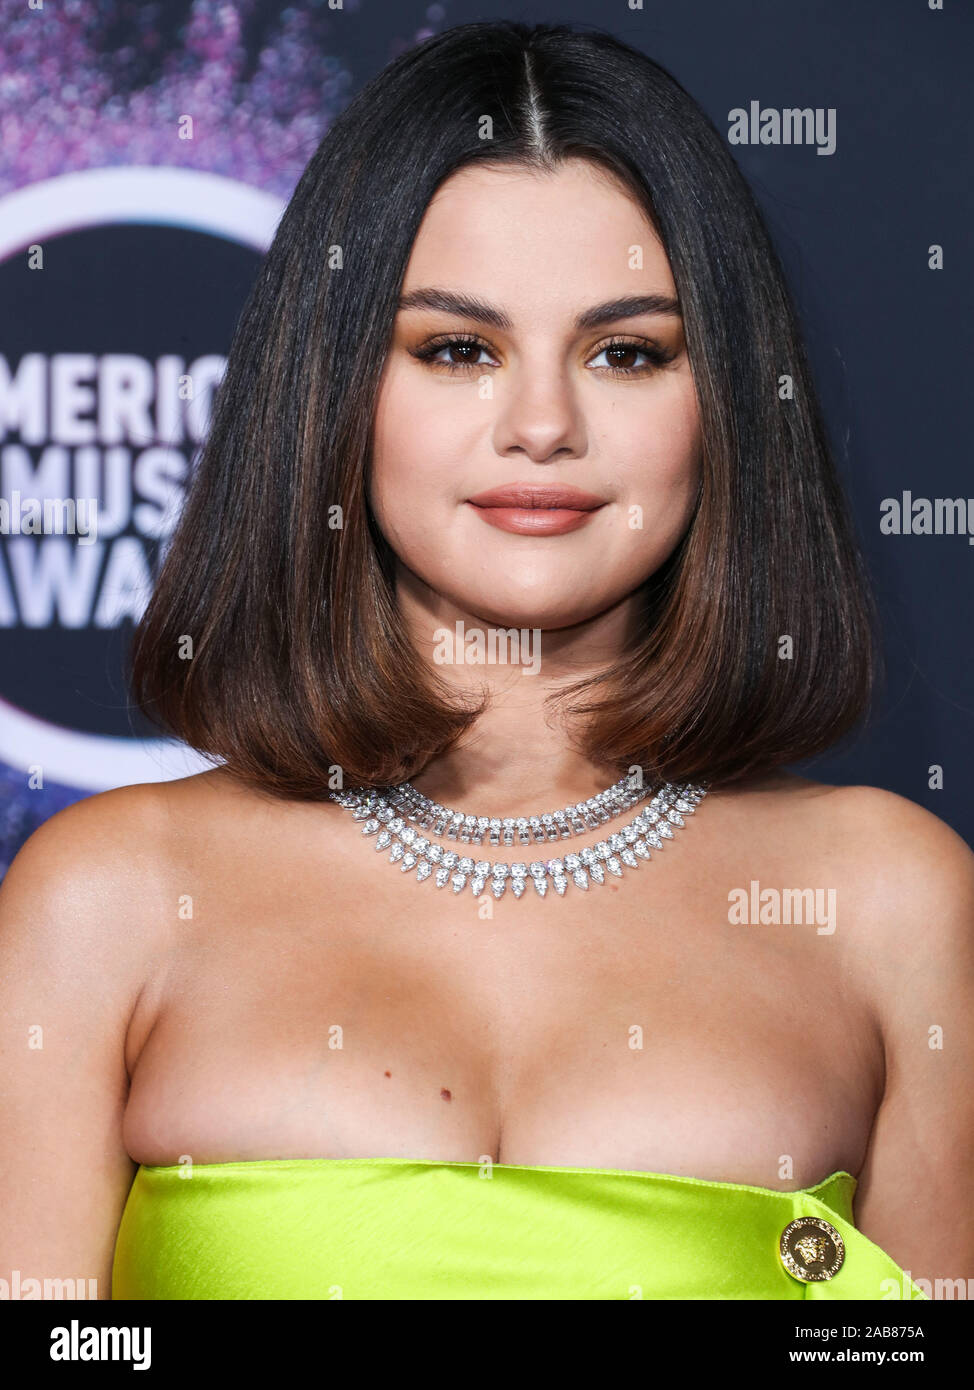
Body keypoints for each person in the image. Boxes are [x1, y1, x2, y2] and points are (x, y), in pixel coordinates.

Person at [1, 19, 971, 1302]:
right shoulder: (104, 898)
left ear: (726, 399)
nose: (541, 425)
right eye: (457, 349)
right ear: (336, 386)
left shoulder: (891, 902)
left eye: (625, 351)